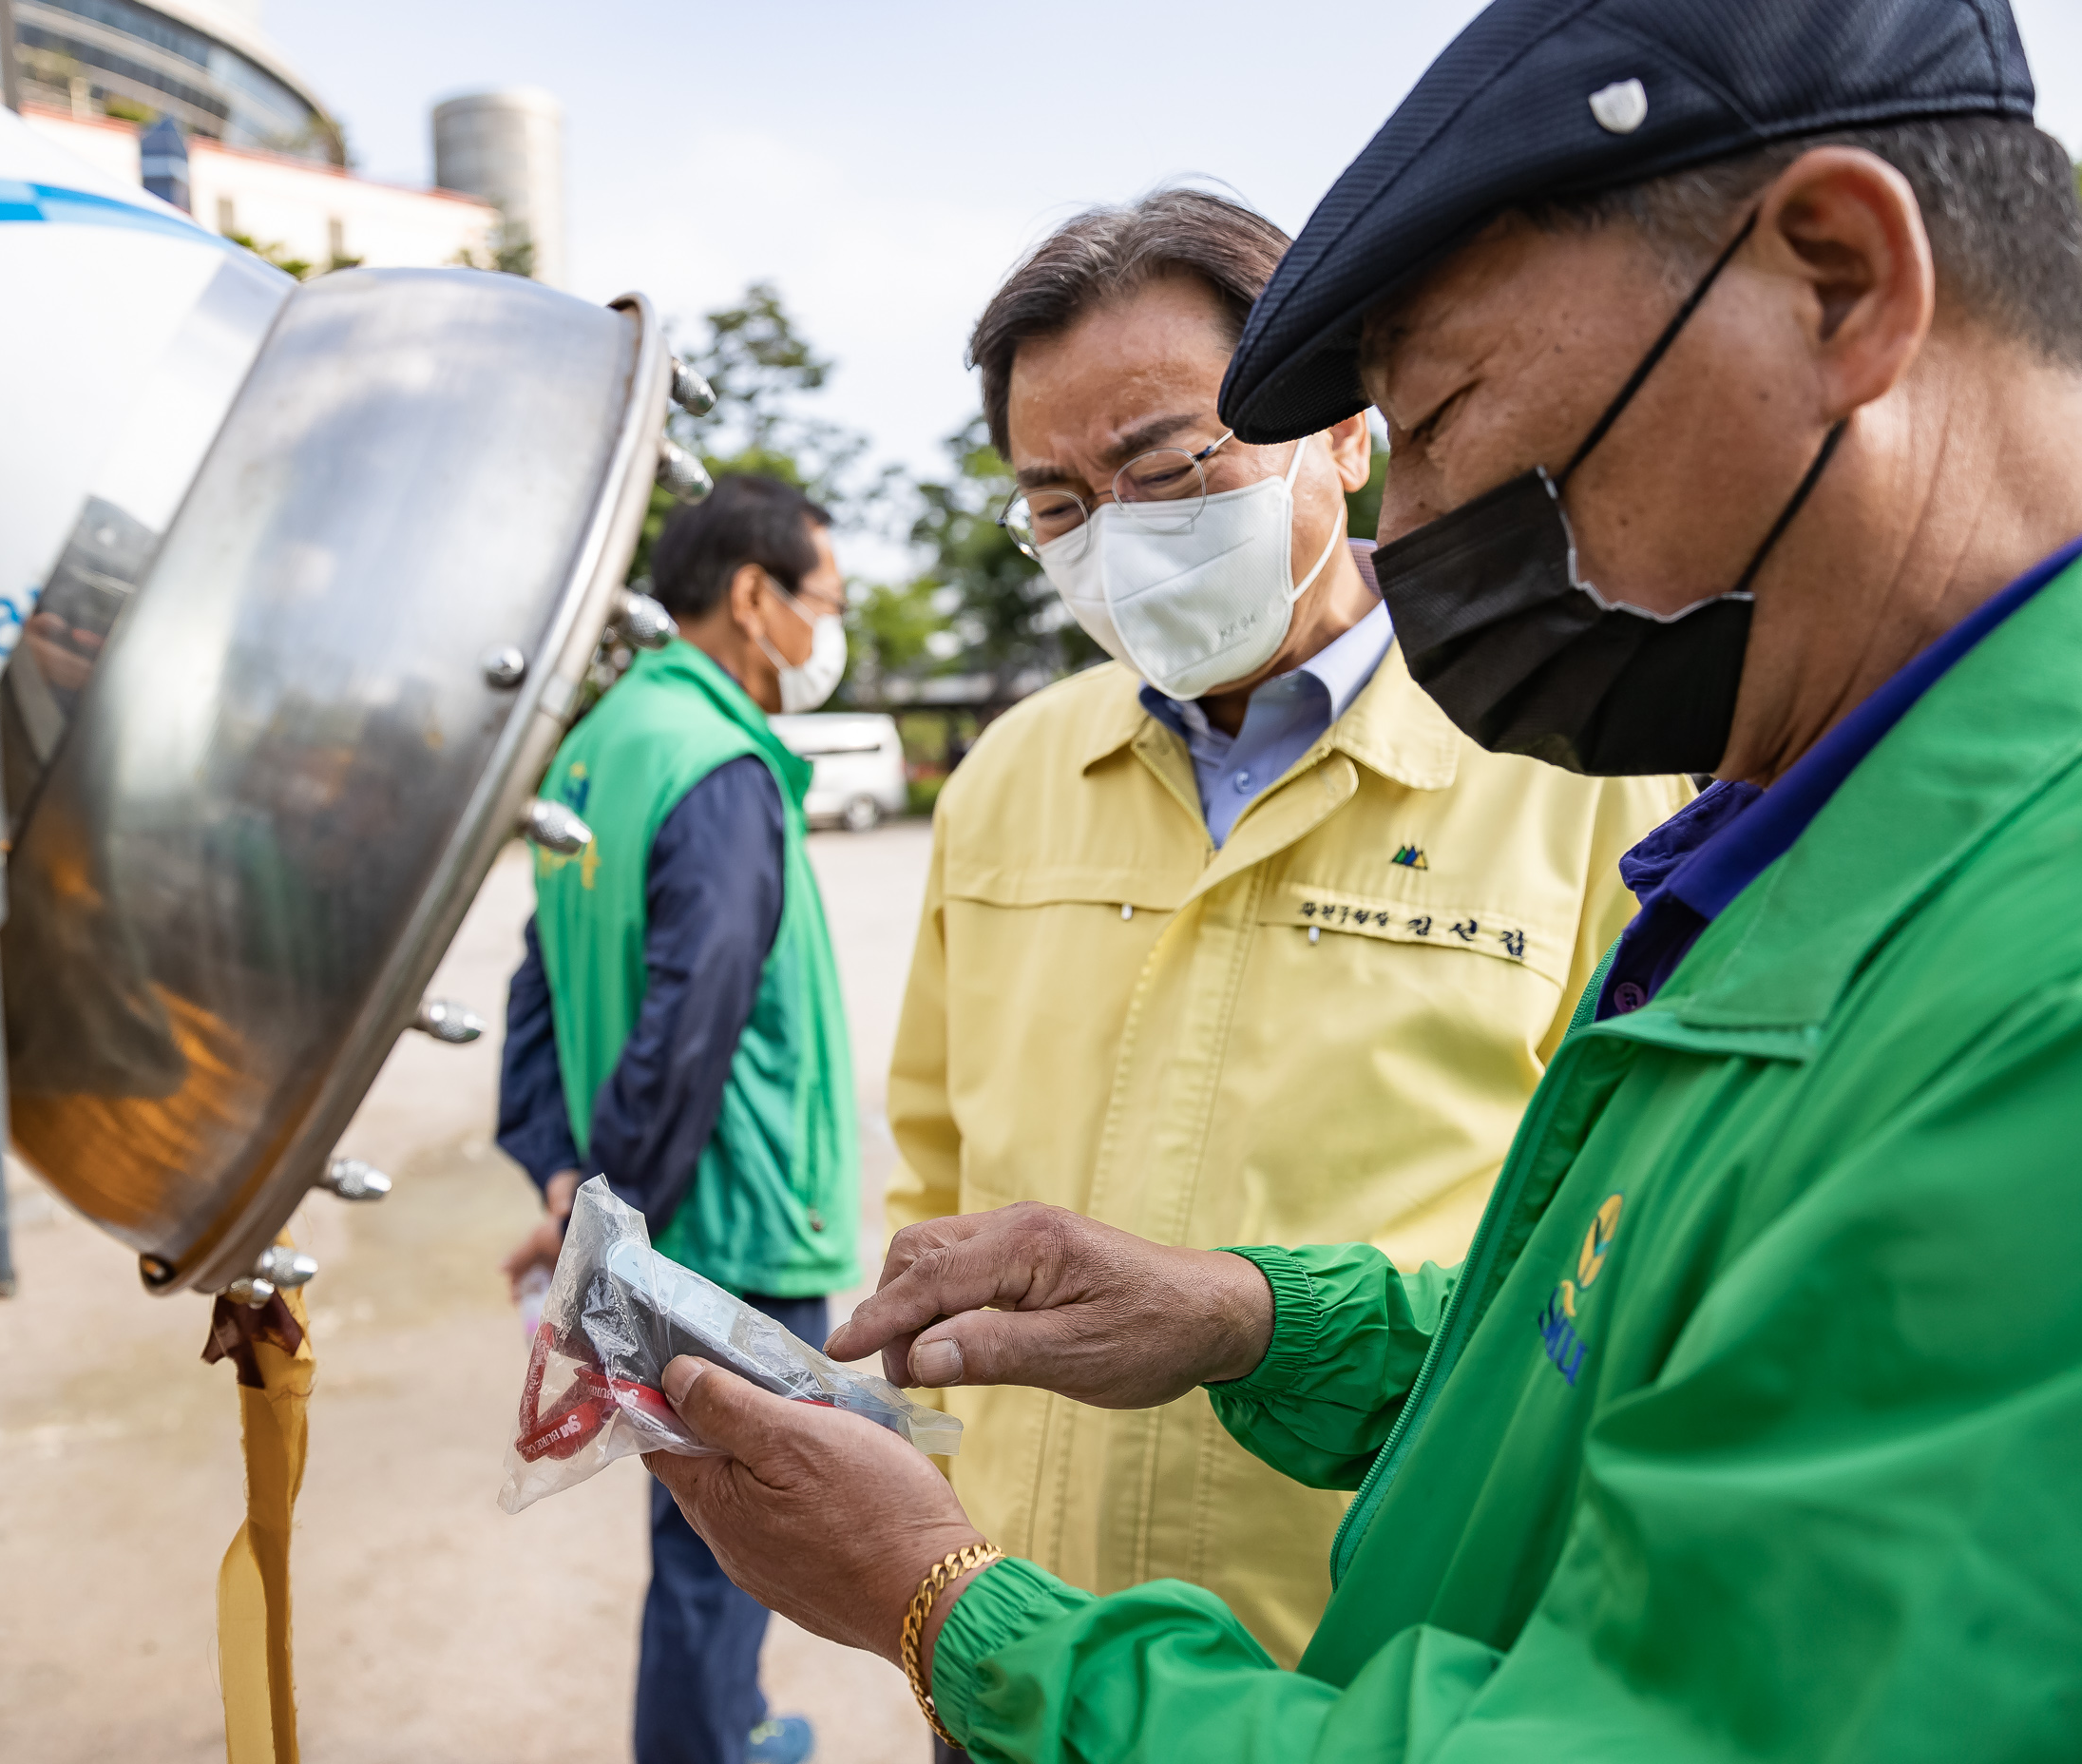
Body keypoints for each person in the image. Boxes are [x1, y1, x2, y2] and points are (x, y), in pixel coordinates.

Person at [637, 1, 2082, 1757]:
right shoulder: (1819, 845)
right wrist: (1250, 1319)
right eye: (1056, 502)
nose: (1424, 525)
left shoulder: (2014, 981)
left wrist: (957, 1615)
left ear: (1839, 285)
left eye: (1451, 415)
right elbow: (1587, 1346)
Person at [887, 189, 1688, 1686]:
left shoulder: (1583, 776)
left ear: (1344, 431)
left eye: (1174, 465)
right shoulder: (1007, 776)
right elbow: (933, 1168)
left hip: (1367, 1667)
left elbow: (1626, 1252)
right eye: (1059, 504)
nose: (1119, 541)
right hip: (1006, 1637)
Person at [496, 474, 860, 1764]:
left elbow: (537, 979)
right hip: (736, 1223)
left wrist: (561, 1169)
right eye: (828, 599)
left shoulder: (601, 742)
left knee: (694, 1523)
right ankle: (716, 1745)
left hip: (647, 1210)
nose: (834, 628)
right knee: (733, 1532)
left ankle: (728, 1728)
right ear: (754, 597)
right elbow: (694, 1009)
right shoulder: (717, 761)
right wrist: (613, 1201)